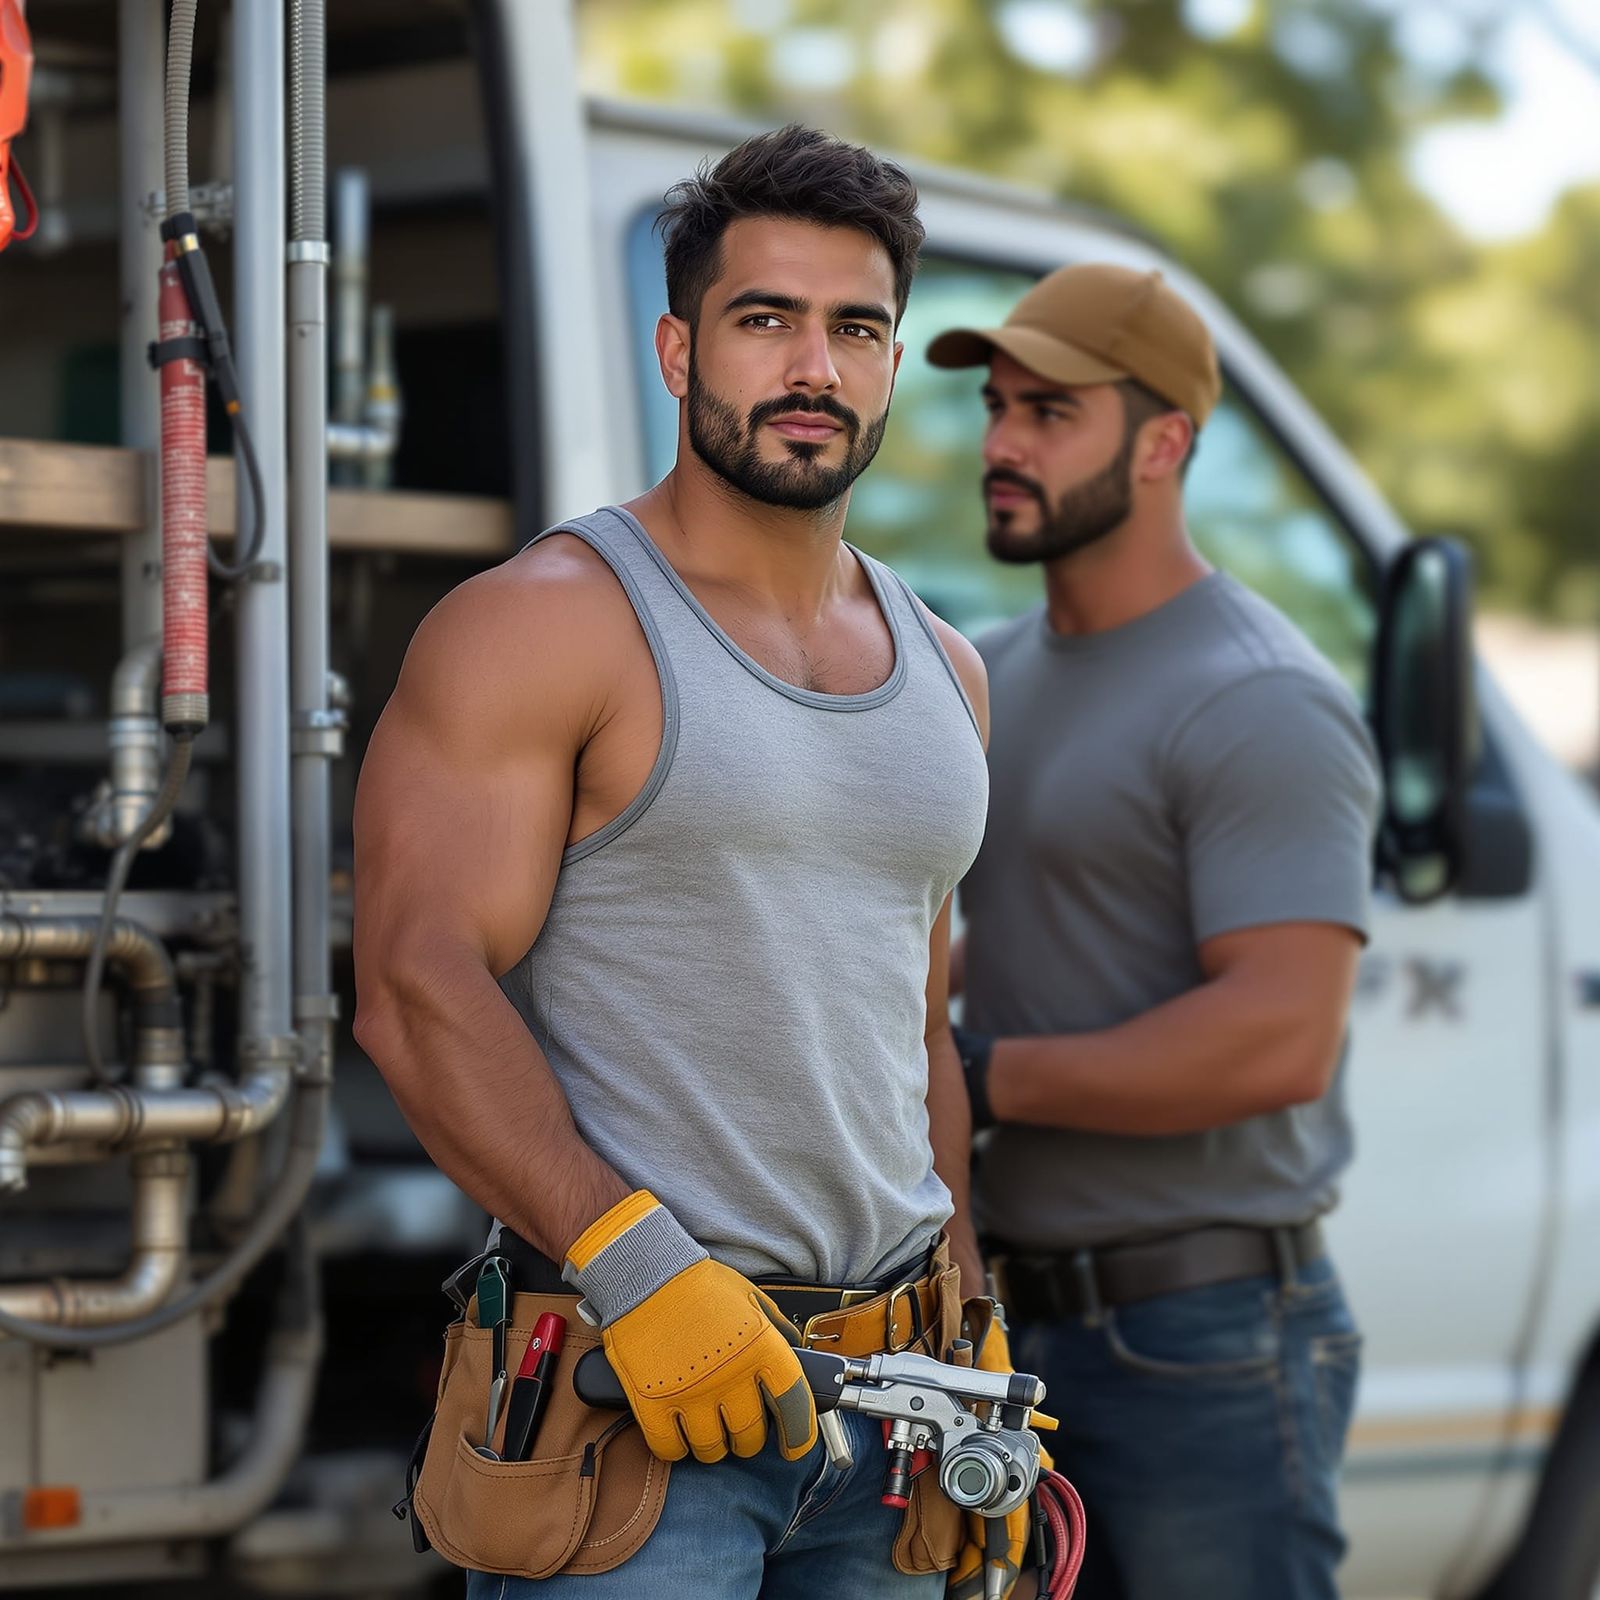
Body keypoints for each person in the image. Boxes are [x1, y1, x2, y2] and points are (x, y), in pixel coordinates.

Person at [353, 125, 1031, 1600]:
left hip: (893, 1410)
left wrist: (969, 1316)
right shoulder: (546, 623)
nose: (814, 366)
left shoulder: (949, 674)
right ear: (677, 350)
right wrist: (631, 1261)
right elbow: (414, 986)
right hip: (632, 1412)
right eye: (763, 319)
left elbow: (914, 1029)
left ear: (894, 363)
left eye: (856, 327)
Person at [927, 262, 1382, 1600]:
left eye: (1050, 413)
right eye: (998, 408)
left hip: (1206, 1345)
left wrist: (979, 1079)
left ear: (1167, 442)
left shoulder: (1259, 700)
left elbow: (1278, 1040)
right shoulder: (990, 673)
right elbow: (991, 943)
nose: (1003, 446)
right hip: (1011, 1330)